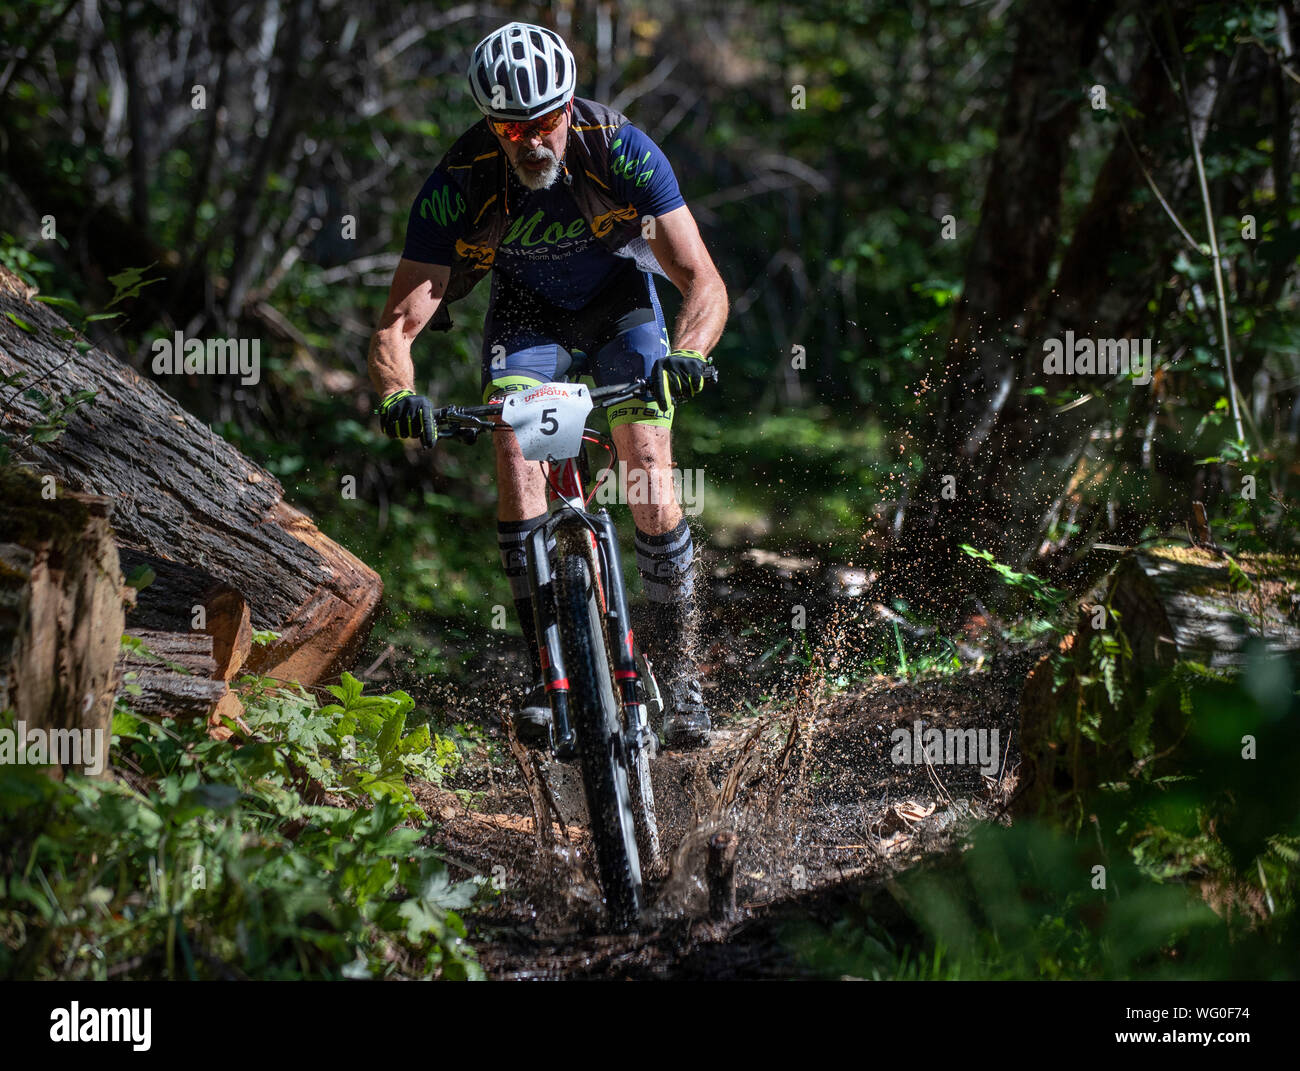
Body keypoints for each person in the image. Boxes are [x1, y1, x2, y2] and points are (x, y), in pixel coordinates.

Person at [367, 21, 727, 749]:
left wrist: (687, 352)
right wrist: (397, 396)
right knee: (516, 455)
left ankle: (681, 675)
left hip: (621, 306)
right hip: (529, 318)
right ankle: (548, 670)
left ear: (569, 107)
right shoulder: (460, 182)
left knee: (651, 475)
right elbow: (397, 326)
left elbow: (703, 279)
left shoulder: (618, 146)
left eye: (546, 120)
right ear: (487, 124)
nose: (531, 140)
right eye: (510, 126)